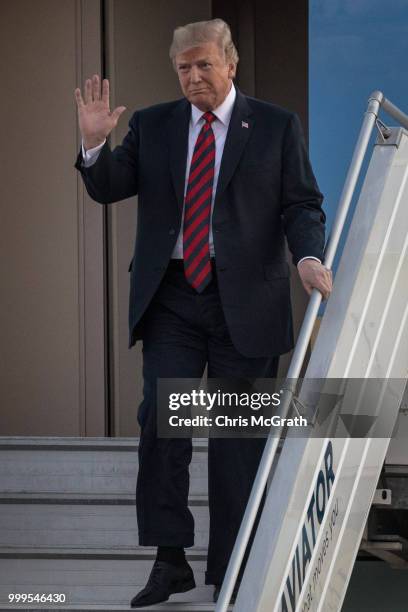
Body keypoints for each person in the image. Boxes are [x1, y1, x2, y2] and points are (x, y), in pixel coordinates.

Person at [74, 18, 332, 608]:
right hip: (172, 297)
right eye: (183, 68)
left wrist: (309, 257)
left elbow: (301, 203)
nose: (193, 77)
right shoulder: (154, 125)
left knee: (237, 439)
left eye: (203, 65)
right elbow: (110, 185)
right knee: (162, 425)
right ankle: (170, 562)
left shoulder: (273, 125)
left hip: (246, 299)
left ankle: (230, 565)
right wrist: (93, 146)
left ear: (231, 63)